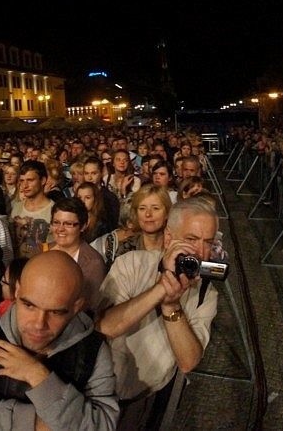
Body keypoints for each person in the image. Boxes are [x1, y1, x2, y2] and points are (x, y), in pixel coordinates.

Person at [0, 250, 120, 430]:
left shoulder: (92, 350)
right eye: (29, 305)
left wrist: (38, 376)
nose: (39, 324)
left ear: (76, 307)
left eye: (56, 312)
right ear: (16, 292)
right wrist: (31, 422)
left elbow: (103, 424)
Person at [95, 198, 220, 430]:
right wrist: (161, 288)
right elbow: (105, 326)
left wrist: (171, 307)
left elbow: (188, 361)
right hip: (97, 393)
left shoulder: (206, 293)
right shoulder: (131, 263)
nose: (201, 251)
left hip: (144, 398)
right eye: (191, 239)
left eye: (208, 242)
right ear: (170, 238)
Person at [46, 198, 107, 314]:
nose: (60, 229)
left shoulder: (92, 262)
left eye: (68, 224)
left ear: (83, 226)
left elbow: (90, 307)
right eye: (56, 222)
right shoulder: (42, 251)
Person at [9, 160, 54, 259]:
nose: (25, 185)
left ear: (43, 180)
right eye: (21, 180)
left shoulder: (54, 211)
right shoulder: (16, 207)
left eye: (30, 180)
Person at [113, 184, 172, 259]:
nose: (148, 214)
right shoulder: (125, 249)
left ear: (167, 213)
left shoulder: (175, 247)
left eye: (155, 208)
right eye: (142, 208)